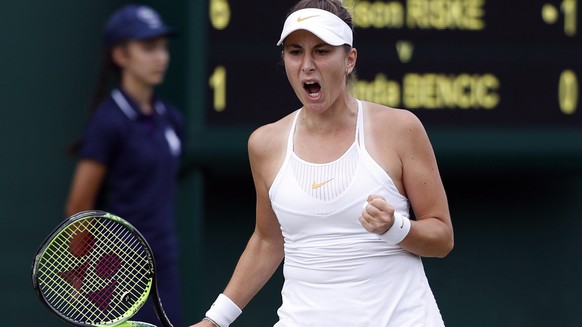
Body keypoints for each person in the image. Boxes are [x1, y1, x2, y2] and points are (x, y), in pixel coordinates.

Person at [192, 0, 453, 326]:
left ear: (349, 59)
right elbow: (268, 241)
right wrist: (214, 321)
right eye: (295, 51)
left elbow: (442, 238)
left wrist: (395, 227)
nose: (307, 65)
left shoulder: (400, 128)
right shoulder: (264, 144)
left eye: (322, 51)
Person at [65, 4, 184, 326]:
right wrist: (79, 270)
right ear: (121, 56)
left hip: (163, 268)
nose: (160, 57)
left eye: (162, 47)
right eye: (148, 48)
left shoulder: (171, 119)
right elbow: (80, 204)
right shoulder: (108, 123)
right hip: (115, 271)